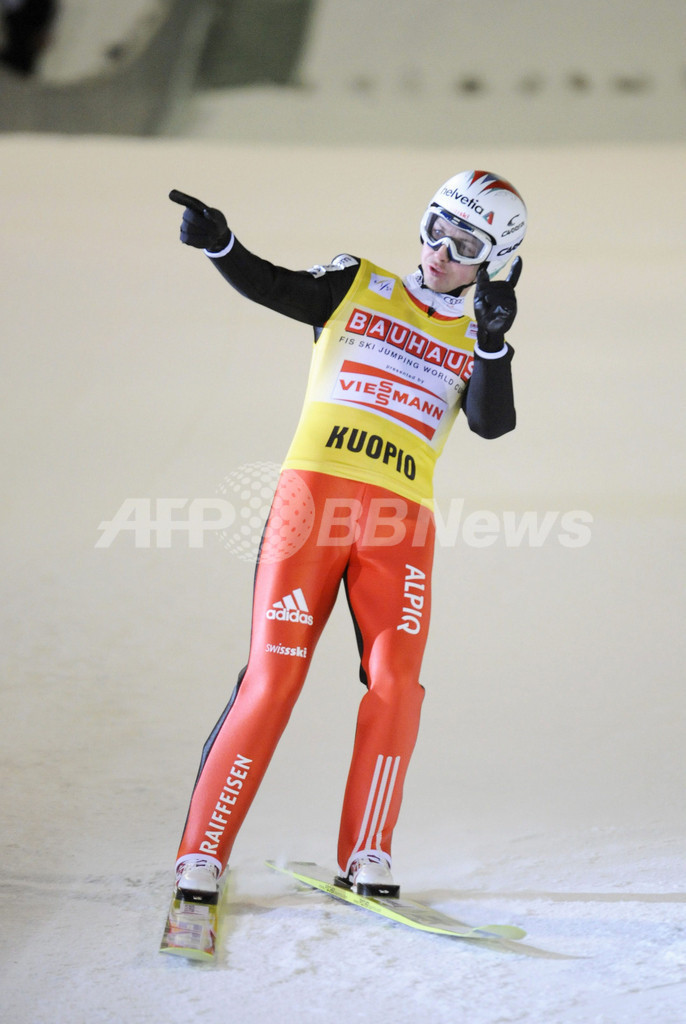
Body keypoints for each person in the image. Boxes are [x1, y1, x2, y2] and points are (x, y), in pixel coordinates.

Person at [168, 169, 527, 900]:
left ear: (496, 260)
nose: (440, 253)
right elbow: (277, 288)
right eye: (435, 231)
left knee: (397, 685)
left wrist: (493, 342)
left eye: (466, 246)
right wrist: (222, 245)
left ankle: (369, 852)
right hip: (312, 502)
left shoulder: (477, 333)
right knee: (273, 677)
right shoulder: (359, 283)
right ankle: (201, 853)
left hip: (400, 525)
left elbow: (492, 424)